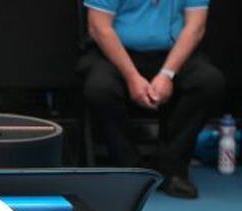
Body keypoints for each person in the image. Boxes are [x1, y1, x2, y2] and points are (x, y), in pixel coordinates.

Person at [80, 0, 224, 199]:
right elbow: (99, 27)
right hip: (116, 52)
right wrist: (132, 77)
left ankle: (173, 168)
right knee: (99, 88)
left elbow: (195, 26)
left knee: (208, 82)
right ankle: (129, 168)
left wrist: (167, 73)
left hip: (172, 53)